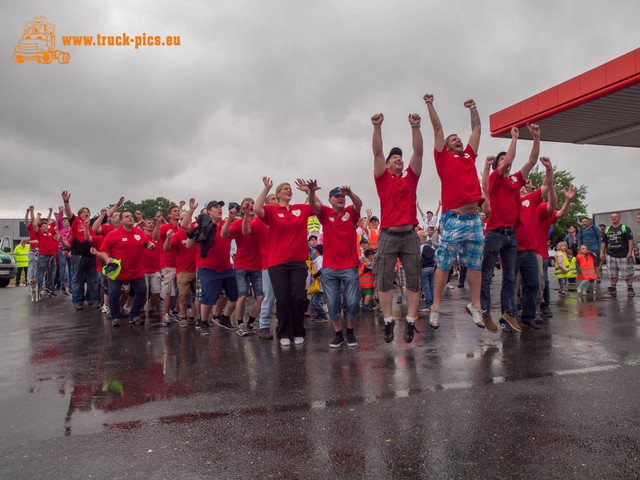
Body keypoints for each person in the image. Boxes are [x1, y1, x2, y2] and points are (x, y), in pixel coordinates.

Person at [424, 93, 484, 330]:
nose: (458, 141)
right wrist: (430, 104)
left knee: (475, 266)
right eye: (454, 140)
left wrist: (473, 108)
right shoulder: (443, 159)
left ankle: (475, 307)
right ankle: (435, 308)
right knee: (445, 265)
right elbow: (438, 130)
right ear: (446, 147)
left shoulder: (469, 155)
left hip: (474, 219)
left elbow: (477, 131)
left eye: (459, 139)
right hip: (453, 217)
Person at [479, 124, 542, 332]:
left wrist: (535, 137)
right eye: (502, 161)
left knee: (508, 277)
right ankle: (485, 312)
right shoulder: (496, 180)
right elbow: (509, 162)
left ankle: (509, 313)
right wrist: (514, 138)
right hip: (495, 234)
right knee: (487, 274)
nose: (506, 163)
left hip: (510, 236)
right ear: (499, 166)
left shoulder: (516, 181)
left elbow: (532, 161)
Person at [371, 111, 423, 344]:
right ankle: (388, 321)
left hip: (410, 235)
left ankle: (411, 322)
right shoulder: (382, 177)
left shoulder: (410, 178)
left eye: (401, 158)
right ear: (387, 163)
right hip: (388, 235)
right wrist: (377, 127)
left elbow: (419, 152)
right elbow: (377, 152)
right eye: (395, 158)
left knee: (413, 280)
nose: (399, 159)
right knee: (383, 280)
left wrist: (415, 126)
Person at [254, 177, 313, 346]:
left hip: (298, 262)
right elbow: (257, 208)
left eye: (290, 189)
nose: (289, 190)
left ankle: (298, 331)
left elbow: (317, 207)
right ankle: (284, 333)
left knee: (297, 297)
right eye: (285, 189)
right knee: (283, 298)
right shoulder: (272, 210)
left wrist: (310, 192)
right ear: (278, 193)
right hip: (277, 263)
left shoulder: (300, 209)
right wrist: (267, 188)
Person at [305, 182, 363, 348]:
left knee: (352, 302)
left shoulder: (350, 213)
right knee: (332, 302)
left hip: (349, 266)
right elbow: (312, 203)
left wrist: (350, 192)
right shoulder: (326, 213)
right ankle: (338, 335)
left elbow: (359, 204)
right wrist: (311, 191)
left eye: (342, 197)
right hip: (329, 268)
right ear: (330, 200)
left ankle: (350, 332)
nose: (341, 199)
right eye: (337, 196)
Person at [186, 200, 238, 336]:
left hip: (226, 267)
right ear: (209, 211)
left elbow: (228, 234)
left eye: (220, 207)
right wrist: (192, 214)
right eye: (215, 207)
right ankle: (204, 322)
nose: (219, 209)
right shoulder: (203, 224)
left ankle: (224, 318)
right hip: (207, 267)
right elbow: (187, 238)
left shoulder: (227, 224)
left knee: (235, 295)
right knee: (208, 297)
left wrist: (231, 218)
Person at [513, 159, 553, 330]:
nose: (521, 189)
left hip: (531, 251)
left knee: (535, 284)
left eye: (523, 188)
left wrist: (549, 169)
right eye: (518, 187)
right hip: (512, 251)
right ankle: (510, 316)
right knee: (512, 286)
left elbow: (547, 185)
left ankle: (529, 315)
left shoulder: (531, 199)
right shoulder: (508, 202)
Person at [97, 211, 155, 326]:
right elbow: (103, 250)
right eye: (126, 216)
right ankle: (115, 317)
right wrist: (108, 259)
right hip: (118, 271)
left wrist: (150, 245)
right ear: (121, 221)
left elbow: (146, 242)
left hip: (136, 270)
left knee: (142, 291)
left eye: (131, 216)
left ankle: (134, 315)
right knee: (113, 293)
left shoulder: (138, 232)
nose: (130, 217)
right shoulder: (113, 234)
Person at [220, 197, 264, 335]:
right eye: (248, 205)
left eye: (253, 204)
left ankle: (251, 322)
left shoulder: (260, 222)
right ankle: (240, 324)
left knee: (260, 296)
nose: (251, 206)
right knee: (243, 296)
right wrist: (229, 219)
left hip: (257, 265)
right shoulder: (238, 223)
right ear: (243, 209)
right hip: (241, 265)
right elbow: (224, 234)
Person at [535, 186, 576, 317]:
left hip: (541, 252)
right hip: (525, 251)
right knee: (526, 282)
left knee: (544, 280)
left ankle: (545, 305)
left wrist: (568, 200)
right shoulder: (527, 209)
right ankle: (526, 305)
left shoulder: (547, 212)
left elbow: (561, 213)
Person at [61, 191, 101, 310]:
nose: (86, 213)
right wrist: (66, 201)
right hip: (78, 255)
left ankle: (94, 299)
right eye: (83, 212)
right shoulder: (76, 221)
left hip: (90, 255)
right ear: (79, 215)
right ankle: (77, 300)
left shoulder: (91, 225)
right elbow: (68, 213)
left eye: (87, 212)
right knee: (77, 279)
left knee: (92, 279)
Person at [153, 204, 182, 326]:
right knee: (170, 291)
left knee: (183, 291)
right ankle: (166, 314)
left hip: (181, 263)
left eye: (178, 211)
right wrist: (157, 223)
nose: (177, 213)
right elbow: (155, 237)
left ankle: (175, 312)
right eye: (175, 211)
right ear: (169, 215)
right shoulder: (165, 227)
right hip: (168, 263)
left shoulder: (182, 227)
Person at [600, 212, 635, 296]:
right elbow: (604, 242)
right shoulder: (607, 229)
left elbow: (630, 241)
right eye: (612, 217)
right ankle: (613, 288)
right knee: (612, 273)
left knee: (627, 273)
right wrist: (602, 253)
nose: (613, 218)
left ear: (619, 218)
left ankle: (630, 288)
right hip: (611, 255)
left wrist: (630, 252)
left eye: (616, 217)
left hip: (623, 254)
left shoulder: (625, 228)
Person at [577, 215, 603, 282]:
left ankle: (597, 276)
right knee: (588, 263)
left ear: (589, 221)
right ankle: (590, 276)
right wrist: (580, 248)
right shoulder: (582, 230)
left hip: (595, 248)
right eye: (583, 222)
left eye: (585, 221)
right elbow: (579, 239)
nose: (584, 223)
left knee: (596, 263)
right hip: (585, 249)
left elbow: (599, 238)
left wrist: (600, 248)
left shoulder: (595, 228)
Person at [418, 230, 435, 313]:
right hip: (431, 268)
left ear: (420, 239)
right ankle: (433, 304)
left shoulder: (421, 247)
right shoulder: (431, 247)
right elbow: (435, 257)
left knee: (426, 287)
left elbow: (419, 258)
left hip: (424, 268)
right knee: (431, 286)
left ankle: (428, 304)